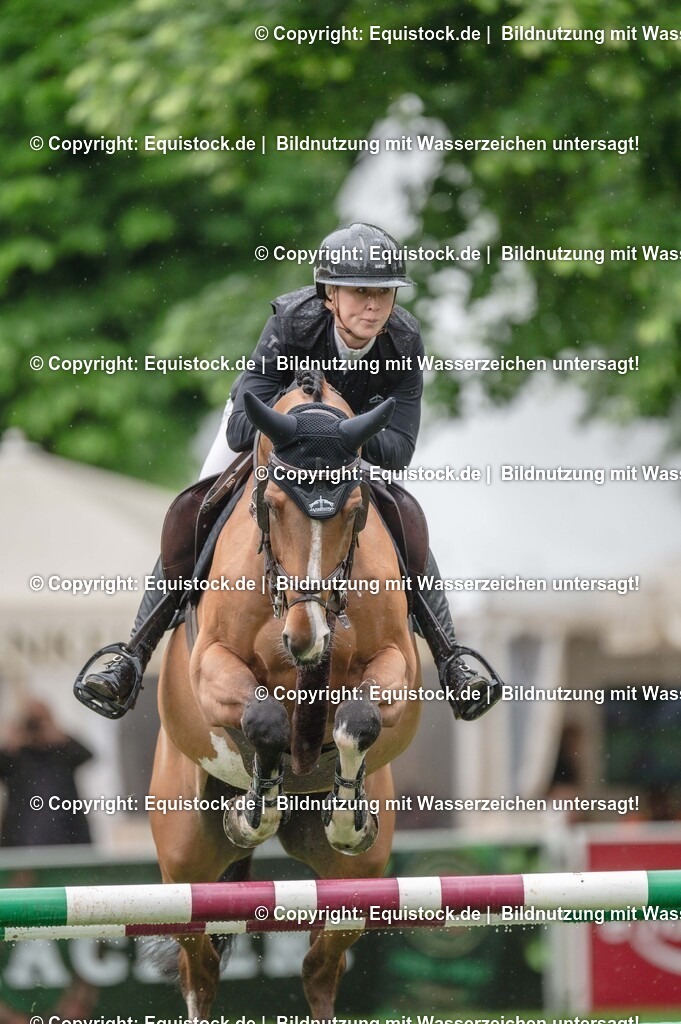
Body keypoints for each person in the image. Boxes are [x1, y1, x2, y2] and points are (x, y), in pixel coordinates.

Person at [75, 223, 502, 721]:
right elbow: (239, 427)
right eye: (361, 292)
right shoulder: (292, 323)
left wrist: (338, 432)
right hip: (272, 442)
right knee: (196, 507)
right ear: (329, 296)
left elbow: (400, 447)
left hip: (346, 454)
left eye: (384, 293)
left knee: (404, 517)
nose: (374, 305)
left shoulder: (403, 339)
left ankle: (451, 659)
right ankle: (132, 655)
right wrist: (300, 431)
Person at [0, 699, 93, 846]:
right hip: (22, 839)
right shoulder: (17, 755)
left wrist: (60, 736)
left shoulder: (60, 751)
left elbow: (87, 755)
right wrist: (10, 743)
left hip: (67, 835)